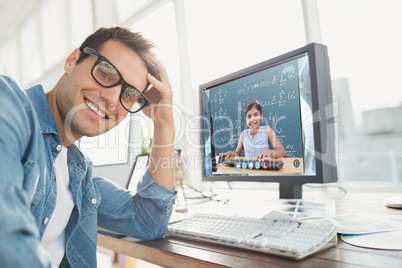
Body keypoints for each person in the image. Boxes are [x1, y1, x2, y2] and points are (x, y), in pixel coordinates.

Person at [0, 26, 177, 267]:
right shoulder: (9, 107)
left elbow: (148, 222)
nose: (112, 100)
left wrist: (163, 123)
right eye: (105, 73)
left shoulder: (79, 172)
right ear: (72, 61)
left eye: (128, 95)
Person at [219, 100, 287, 160]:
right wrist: (230, 154)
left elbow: (283, 153)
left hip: (265, 171)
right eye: (249, 116)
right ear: (246, 119)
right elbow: (237, 153)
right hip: (249, 171)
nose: (252, 119)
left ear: (261, 116)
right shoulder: (243, 134)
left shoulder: (267, 130)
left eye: (256, 115)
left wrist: (268, 152)